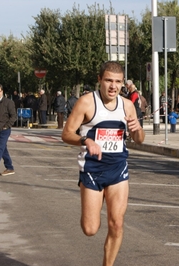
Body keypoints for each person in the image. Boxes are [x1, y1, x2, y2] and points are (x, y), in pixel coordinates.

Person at [61, 61, 145, 266]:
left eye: (117, 82)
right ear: (99, 80)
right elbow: (66, 134)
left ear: (123, 83)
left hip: (118, 169)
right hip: (92, 170)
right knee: (90, 229)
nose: (113, 86)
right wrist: (86, 140)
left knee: (116, 224)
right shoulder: (87, 102)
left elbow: (139, 139)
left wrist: (136, 129)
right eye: (108, 80)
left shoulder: (127, 105)